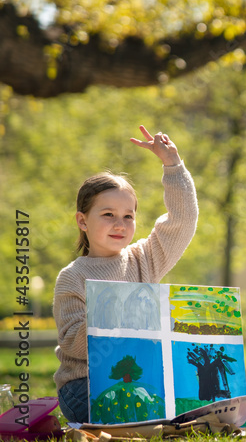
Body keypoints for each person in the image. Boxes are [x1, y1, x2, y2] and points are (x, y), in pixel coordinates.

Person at [54, 126, 199, 423]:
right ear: (82, 221)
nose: (119, 224)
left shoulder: (143, 259)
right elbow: (73, 344)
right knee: (140, 406)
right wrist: (121, 314)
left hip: (145, 379)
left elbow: (183, 221)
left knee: (192, 398)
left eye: (128, 216)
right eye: (108, 214)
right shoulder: (72, 277)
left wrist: (173, 166)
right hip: (85, 386)